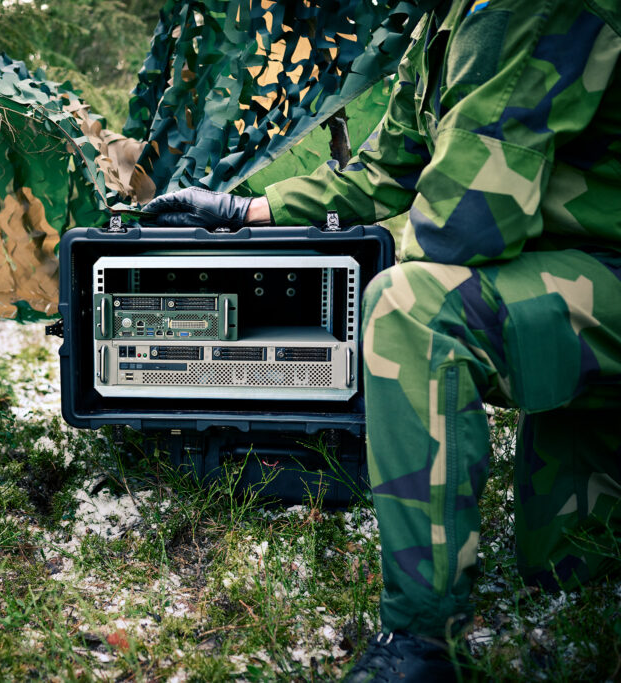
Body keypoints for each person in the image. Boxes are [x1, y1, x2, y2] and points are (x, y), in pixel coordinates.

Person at [144, 0, 621, 679]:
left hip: (600, 278)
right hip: (573, 279)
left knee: (412, 310)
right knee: (566, 574)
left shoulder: (513, 8)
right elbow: (385, 168)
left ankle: (421, 643)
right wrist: (244, 211)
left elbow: (469, 228)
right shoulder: (445, 19)